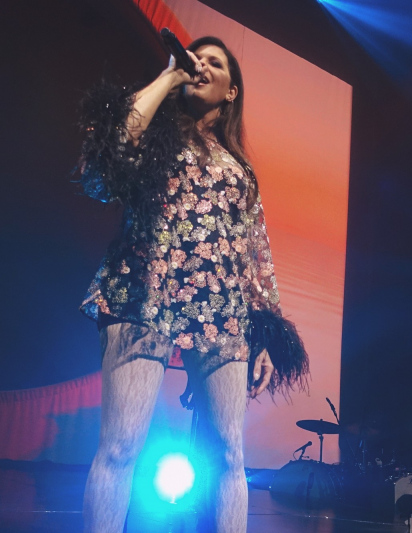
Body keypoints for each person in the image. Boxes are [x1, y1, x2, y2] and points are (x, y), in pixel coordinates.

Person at [77, 37, 308, 533]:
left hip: (222, 308)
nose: (200, 64)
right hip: (146, 293)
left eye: (215, 62)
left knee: (228, 453)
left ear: (232, 91)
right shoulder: (156, 139)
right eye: (195, 58)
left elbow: (254, 254)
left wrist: (264, 331)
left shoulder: (240, 168)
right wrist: (168, 76)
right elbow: (108, 157)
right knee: (120, 445)